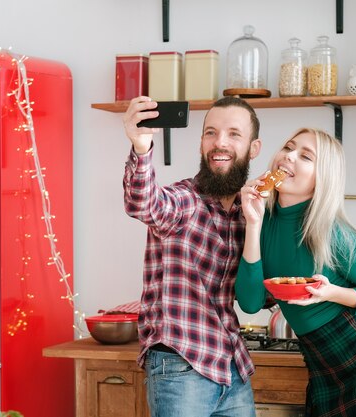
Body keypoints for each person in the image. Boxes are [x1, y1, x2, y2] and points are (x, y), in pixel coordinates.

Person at [236, 127, 356, 417]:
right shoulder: (261, 220)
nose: (289, 157)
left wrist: (330, 293)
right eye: (288, 148)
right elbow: (250, 303)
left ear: (322, 178)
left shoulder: (334, 234)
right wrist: (252, 223)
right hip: (324, 365)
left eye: (305, 156)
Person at [122, 95, 263, 417]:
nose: (220, 143)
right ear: (201, 142)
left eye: (233, 134)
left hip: (233, 365)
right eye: (210, 133)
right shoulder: (183, 201)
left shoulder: (251, 212)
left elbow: (257, 292)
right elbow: (143, 203)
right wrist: (141, 147)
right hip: (180, 362)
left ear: (254, 148)